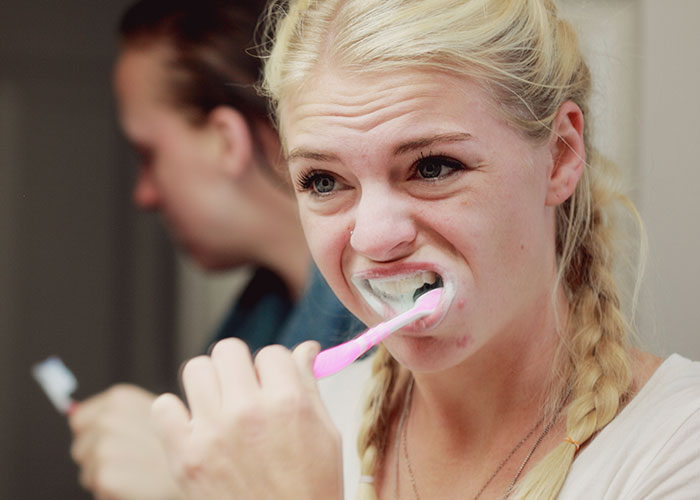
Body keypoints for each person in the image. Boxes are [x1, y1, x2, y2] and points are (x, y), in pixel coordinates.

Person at [150, 1, 700, 499]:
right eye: (322, 181)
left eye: (433, 167)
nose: (373, 238)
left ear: (559, 156)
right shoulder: (292, 439)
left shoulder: (679, 447)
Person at [68, 1, 363, 498]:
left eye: (148, 155)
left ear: (227, 140)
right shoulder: (255, 322)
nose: (143, 195)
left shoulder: (384, 336)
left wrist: (183, 487)